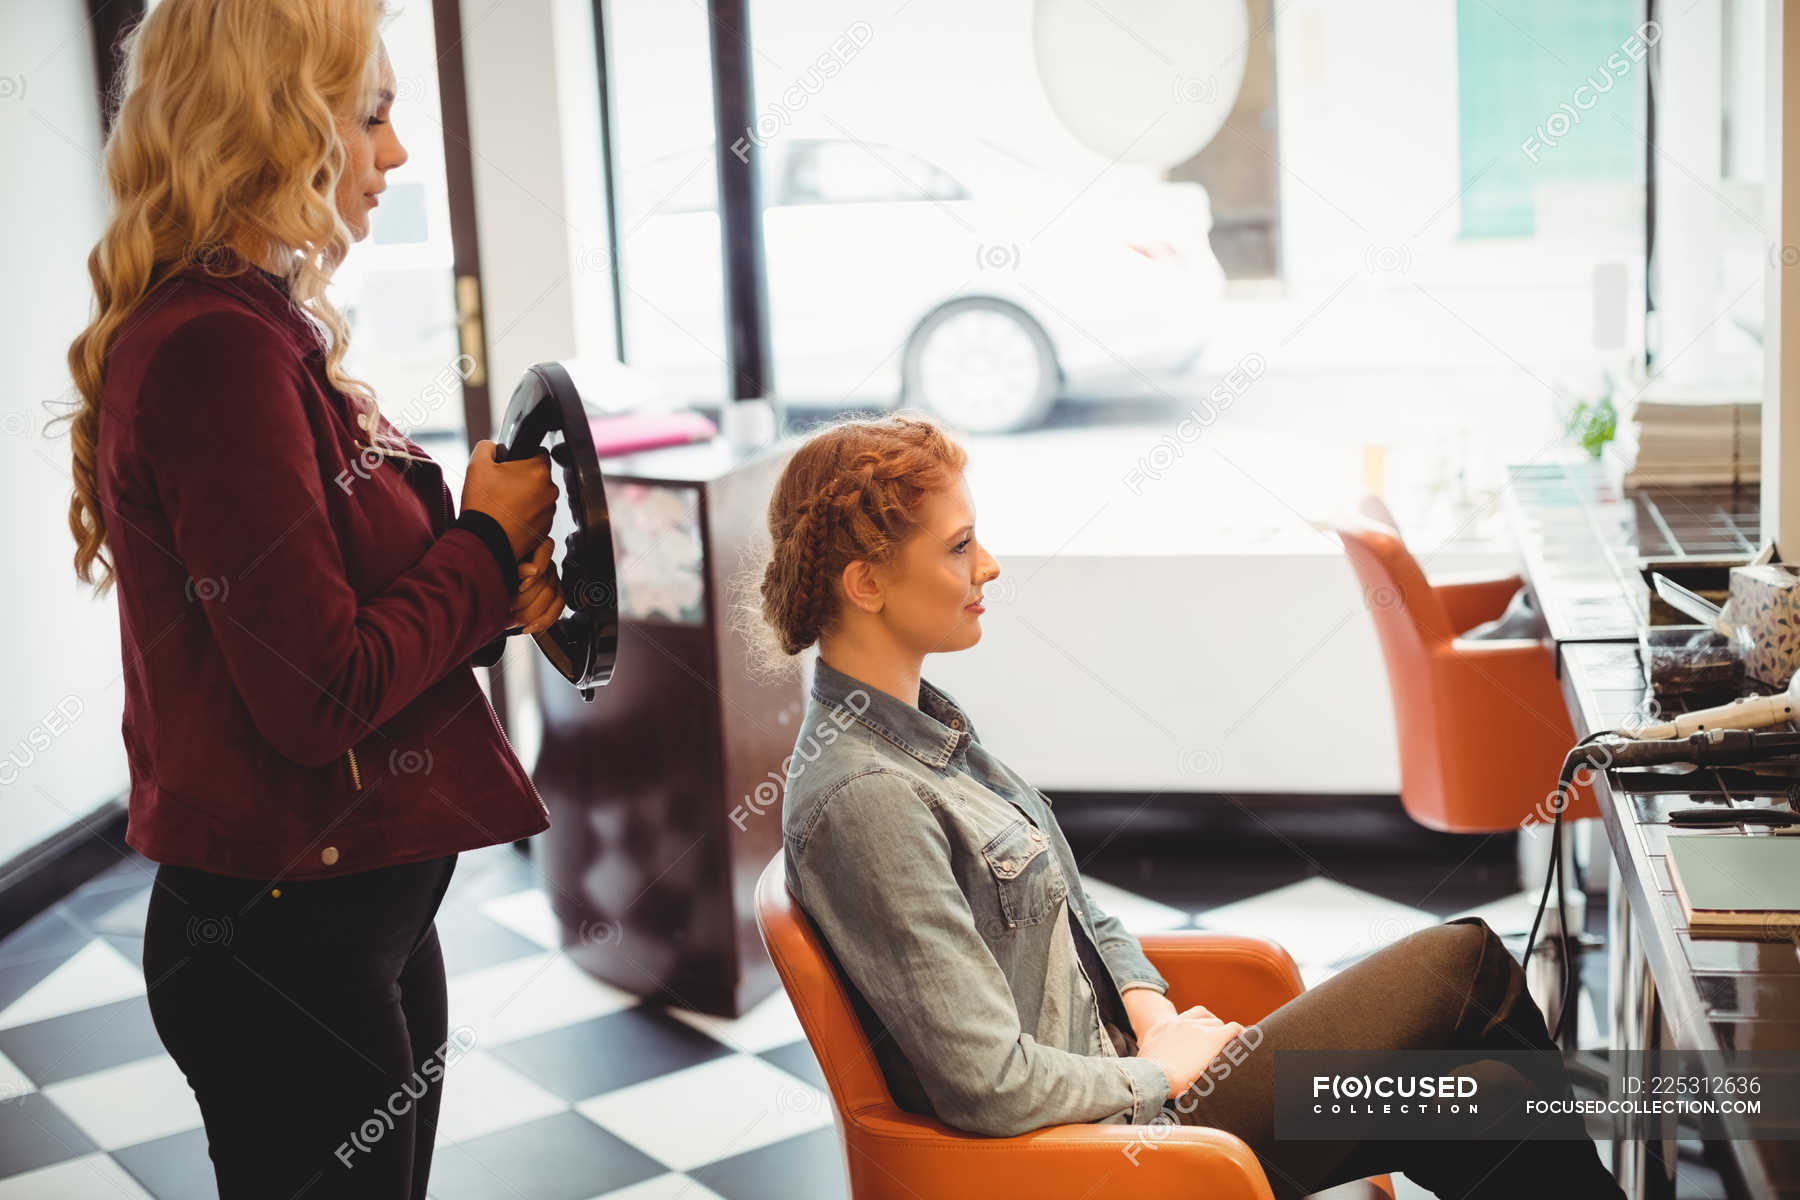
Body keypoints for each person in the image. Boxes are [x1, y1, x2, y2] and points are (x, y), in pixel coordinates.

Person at [753, 412, 1625, 1199]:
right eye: (958, 546)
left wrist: (1151, 1009)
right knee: (1465, 962)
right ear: (866, 584)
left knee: (1487, 1101)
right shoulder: (867, 798)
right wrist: (1162, 1074)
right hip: (1110, 1150)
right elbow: (990, 1086)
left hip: (1133, 1092)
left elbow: (1072, 909)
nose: (988, 565)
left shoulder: (928, 731)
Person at [57, 2, 564, 1195]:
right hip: (286, 947)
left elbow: (333, 613)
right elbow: (315, 692)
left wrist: (491, 590)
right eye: (372, 118)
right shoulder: (215, 351)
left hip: (352, 924)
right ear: (274, 124)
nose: (397, 153)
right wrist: (484, 541)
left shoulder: (253, 325)